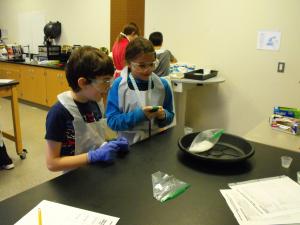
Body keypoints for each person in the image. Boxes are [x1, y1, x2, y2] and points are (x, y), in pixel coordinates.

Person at [45, 46, 129, 172]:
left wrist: (111, 144)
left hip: (97, 171)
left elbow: (93, 137)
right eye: (105, 81)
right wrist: (91, 156)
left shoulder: (95, 102)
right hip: (74, 177)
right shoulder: (59, 113)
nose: (109, 87)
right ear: (83, 83)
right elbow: (52, 163)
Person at [106, 37, 175, 145]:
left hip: (156, 142)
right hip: (127, 144)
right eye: (141, 66)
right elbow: (112, 121)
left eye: (152, 64)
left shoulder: (163, 85)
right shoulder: (119, 86)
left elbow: (170, 115)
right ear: (129, 63)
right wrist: (139, 115)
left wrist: (163, 116)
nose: (147, 70)